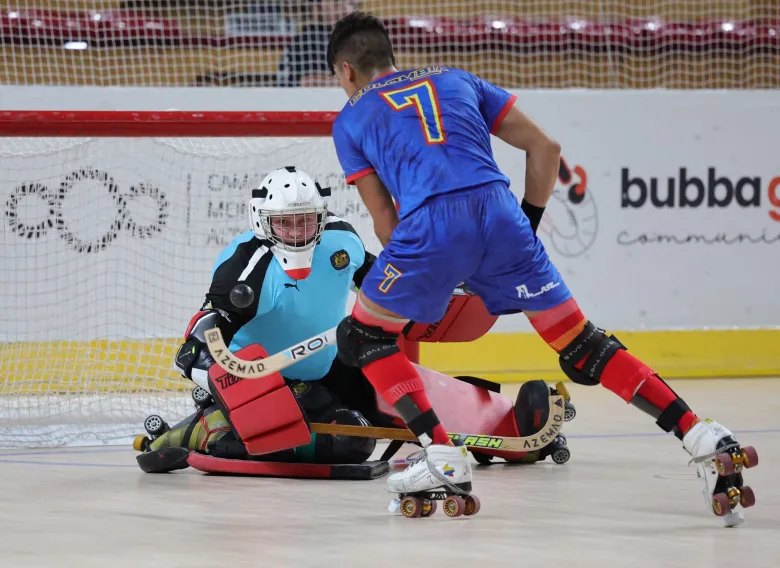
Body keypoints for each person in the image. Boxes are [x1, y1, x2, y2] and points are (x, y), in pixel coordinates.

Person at [326, 12, 759, 525]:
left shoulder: (351, 117)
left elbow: (385, 220)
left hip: (430, 229)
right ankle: (702, 435)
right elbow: (546, 149)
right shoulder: (456, 78)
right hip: (502, 214)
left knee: (363, 337)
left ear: (348, 71)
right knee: (582, 345)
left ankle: (440, 454)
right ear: (390, 54)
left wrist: (430, 275)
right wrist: (525, 224)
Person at [135, 166, 380, 471]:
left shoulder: (341, 239)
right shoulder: (245, 266)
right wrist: (237, 388)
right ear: (261, 220)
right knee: (352, 440)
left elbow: (374, 282)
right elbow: (197, 347)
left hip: (324, 365)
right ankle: (211, 428)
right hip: (272, 380)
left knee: (386, 406)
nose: (296, 232)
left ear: (321, 216)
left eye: (305, 220)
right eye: (283, 223)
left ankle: (228, 423)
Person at [277, 0, 358, 87]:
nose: (345, 9)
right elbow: (311, 84)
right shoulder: (310, 38)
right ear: (317, 7)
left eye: (351, 4)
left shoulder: (348, 39)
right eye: (336, 3)